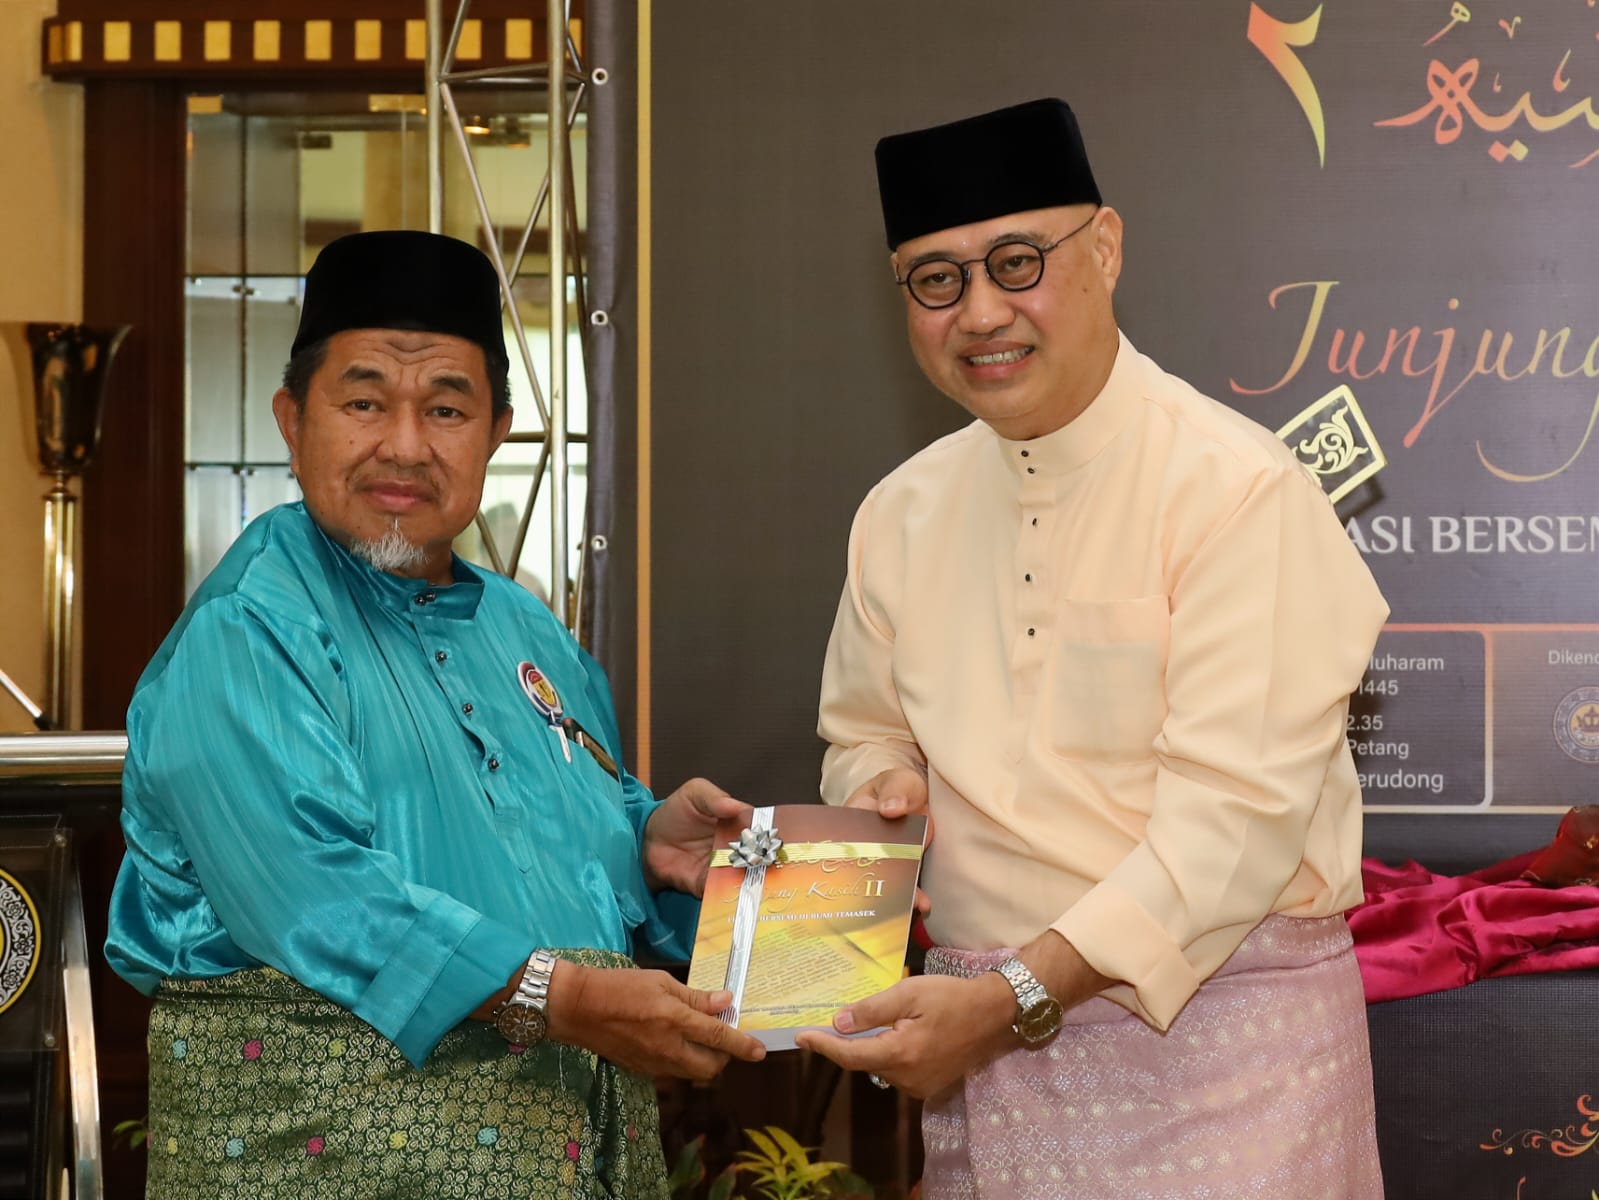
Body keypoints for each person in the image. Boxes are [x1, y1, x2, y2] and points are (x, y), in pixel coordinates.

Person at [797, 99, 1389, 1198]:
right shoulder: (900, 512)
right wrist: (882, 788)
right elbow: (862, 733)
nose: (981, 311)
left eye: (1016, 262)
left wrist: (1014, 999)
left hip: (1230, 1063)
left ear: (1105, 248)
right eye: (936, 280)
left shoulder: (1236, 490)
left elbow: (1234, 826)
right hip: (984, 1053)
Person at [105, 230, 765, 1199]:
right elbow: (318, 898)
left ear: (497, 431)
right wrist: (563, 998)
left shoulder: (526, 632)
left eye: (446, 408)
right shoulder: (248, 630)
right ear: (292, 420)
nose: (405, 446)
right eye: (364, 402)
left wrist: (647, 841)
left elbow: (551, 845)